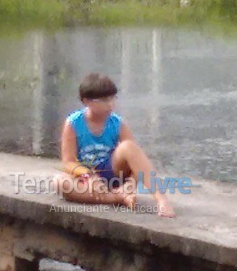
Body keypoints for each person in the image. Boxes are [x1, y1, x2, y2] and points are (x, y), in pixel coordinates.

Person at [57, 72, 175, 218]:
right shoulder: (73, 123)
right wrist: (88, 176)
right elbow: (68, 162)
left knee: (128, 146)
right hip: (87, 177)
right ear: (86, 101)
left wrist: (131, 183)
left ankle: (161, 200)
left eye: (113, 98)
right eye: (104, 100)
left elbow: (135, 158)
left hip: (112, 172)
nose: (110, 104)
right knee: (60, 183)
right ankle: (117, 197)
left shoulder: (117, 123)